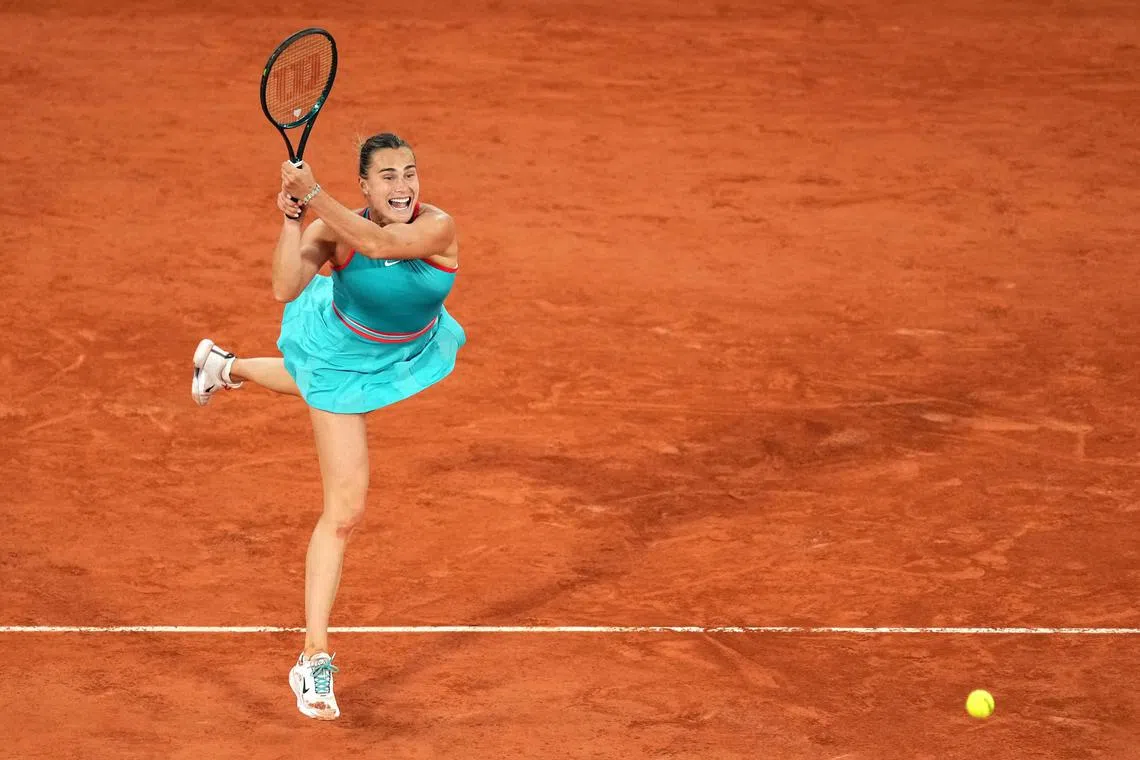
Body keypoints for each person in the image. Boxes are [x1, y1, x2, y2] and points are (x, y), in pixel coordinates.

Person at [190, 132, 465, 720]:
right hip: (342, 354)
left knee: (301, 377)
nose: (403, 185)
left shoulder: (437, 227)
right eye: (387, 175)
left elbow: (377, 241)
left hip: (406, 349)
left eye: (410, 172)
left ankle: (223, 366)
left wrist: (312, 192)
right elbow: (285, 288)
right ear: (363, 185)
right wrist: (294, 220)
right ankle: (312, 659)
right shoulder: (332, 231)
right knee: (345, 508)